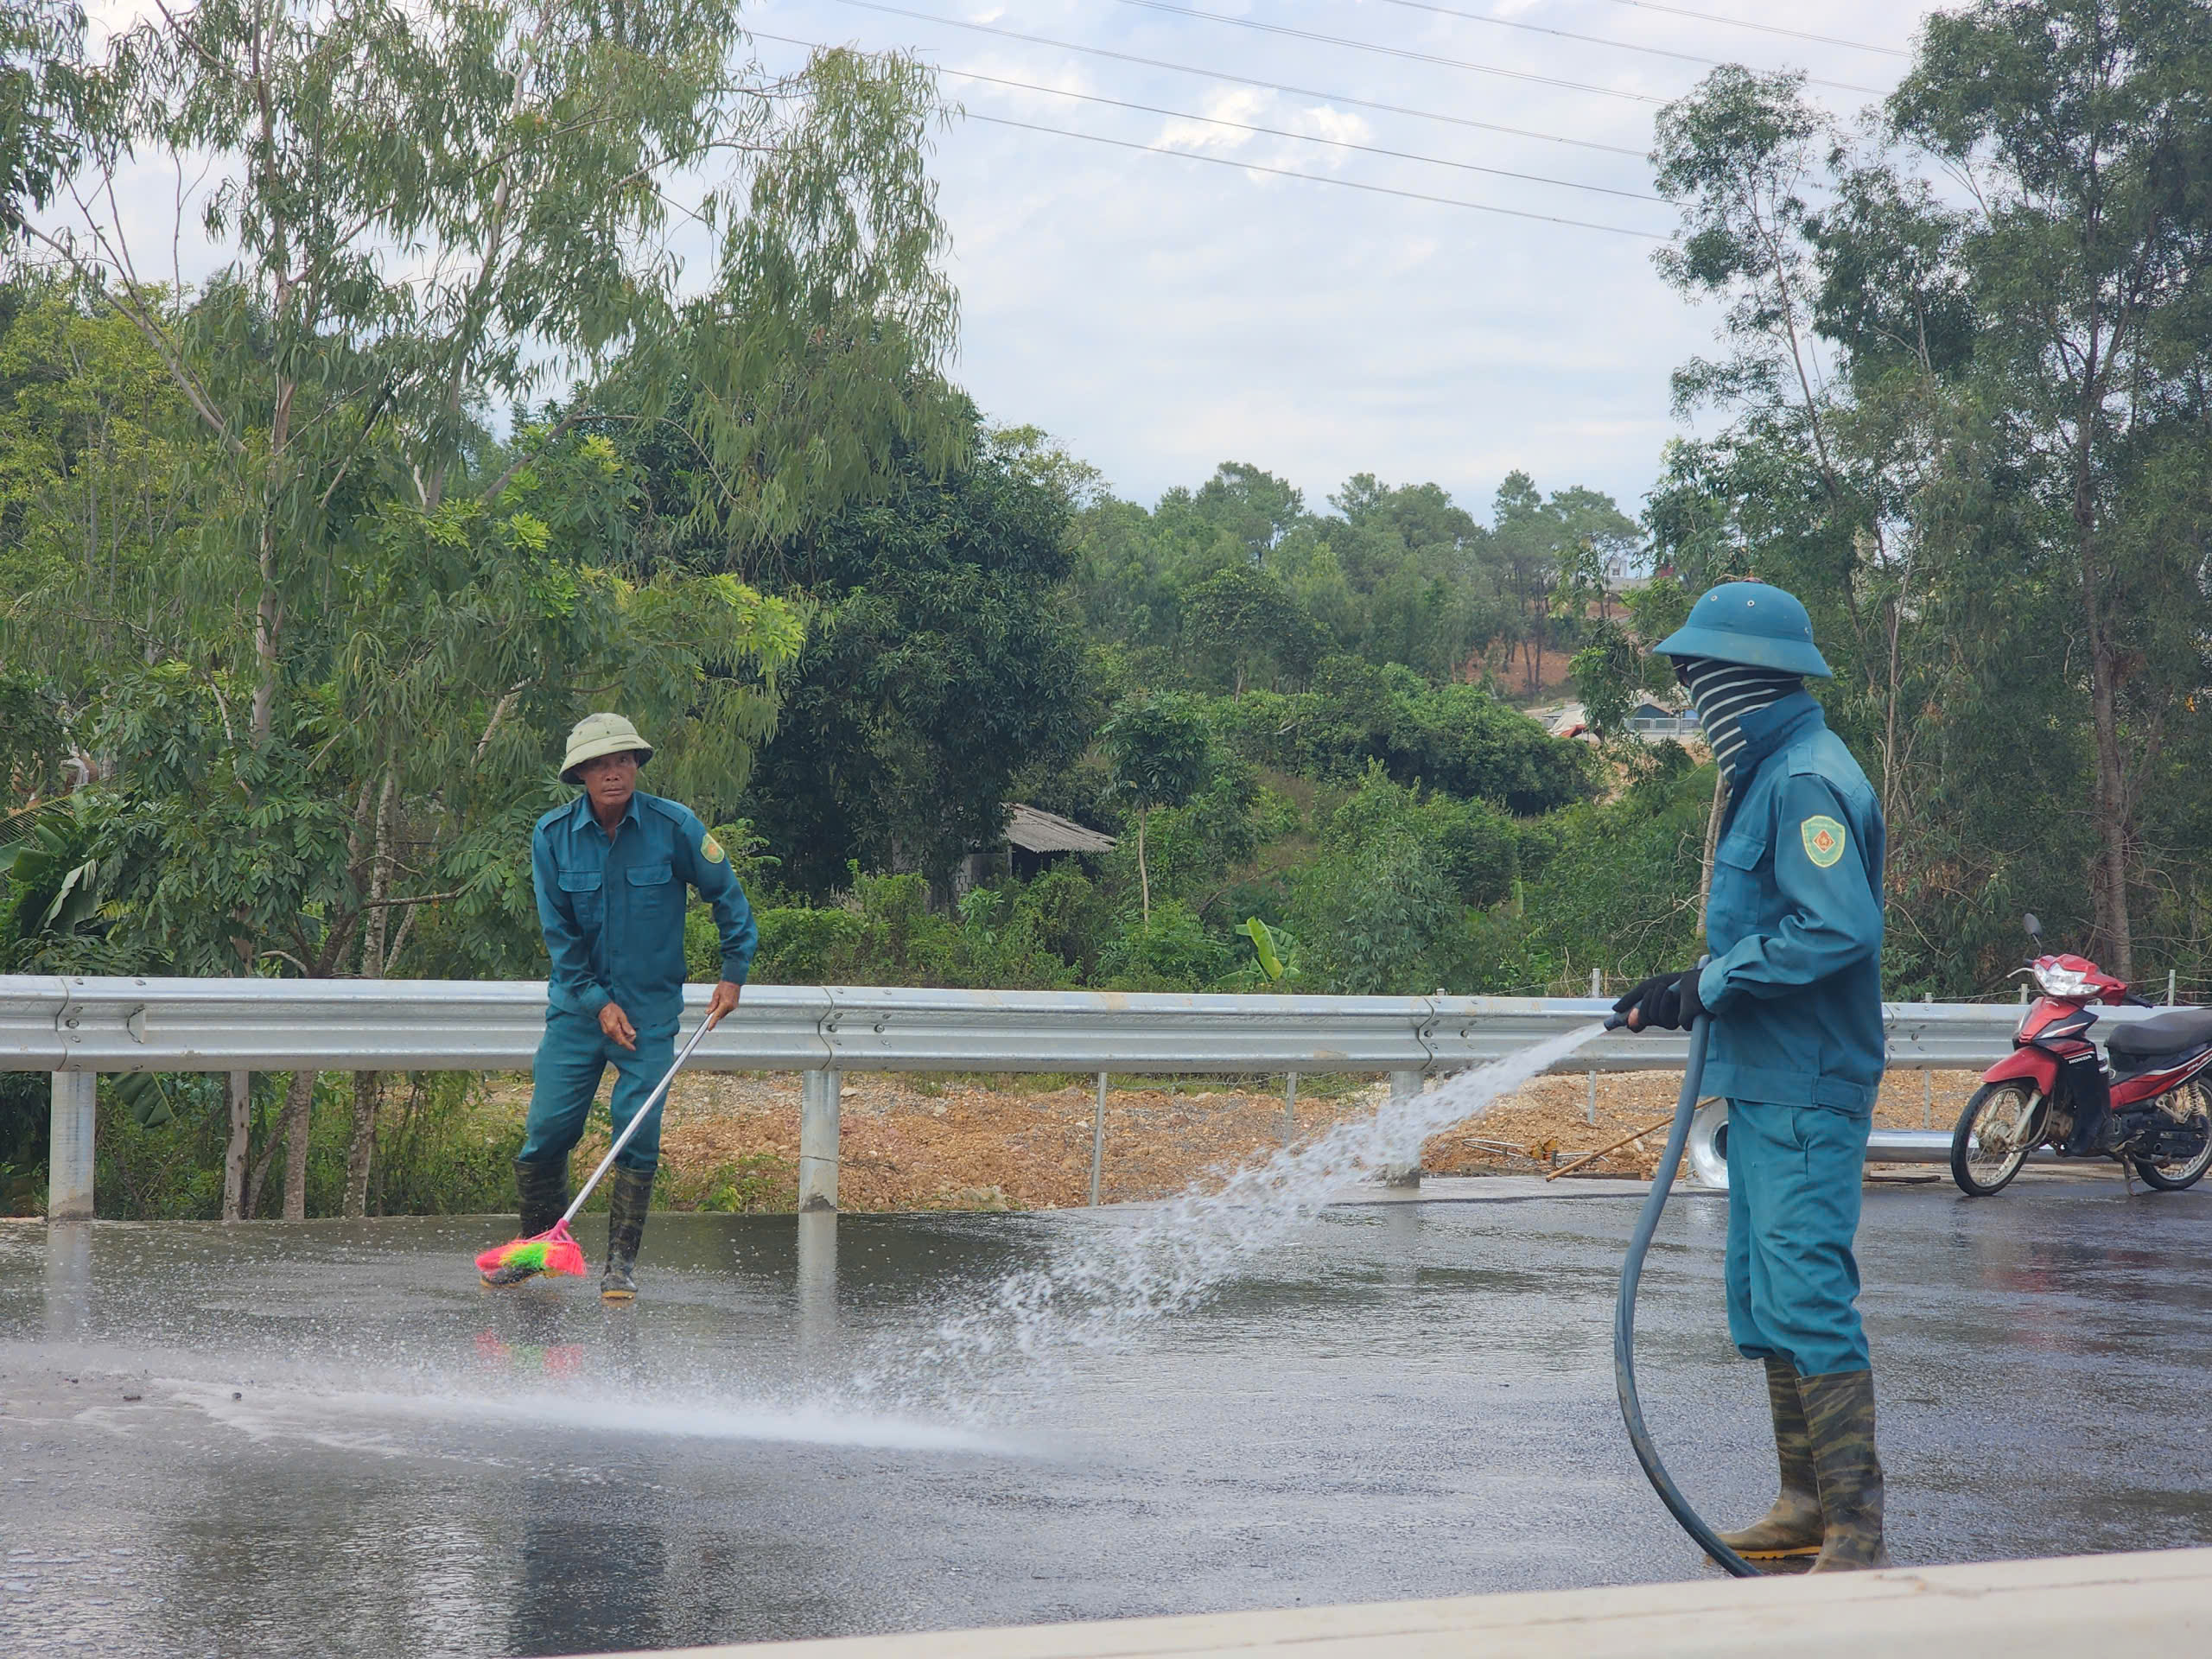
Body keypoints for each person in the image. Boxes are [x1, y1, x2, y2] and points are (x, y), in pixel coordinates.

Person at [1610, 581, 1891, 1573]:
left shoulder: (1804, 780)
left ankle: (1855, 1531)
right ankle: (1803, 1504)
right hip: (1767, 1077)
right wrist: (1685, 991)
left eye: (1697, 674)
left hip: (1808, 1082)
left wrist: (1714, 979)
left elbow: (1836, 928)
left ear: (1745, 676)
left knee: (1806, 1291)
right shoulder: (1766, 773)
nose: (1690, 692)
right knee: (1764, 1295)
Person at [484, 713, 757, 1300]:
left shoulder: (674, 826)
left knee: (637, 1134)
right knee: (546, 1131)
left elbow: (727, 897)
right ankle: (539, 1253)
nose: (615, 773)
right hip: (579, 1012)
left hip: (651, 1014)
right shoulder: (552, 836)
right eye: (602, 764)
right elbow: (559, 936)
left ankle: (619, 1267)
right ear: (580, 772)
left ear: (637, 765)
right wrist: (598, 1003)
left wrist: (734, 974)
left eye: (625, 760)